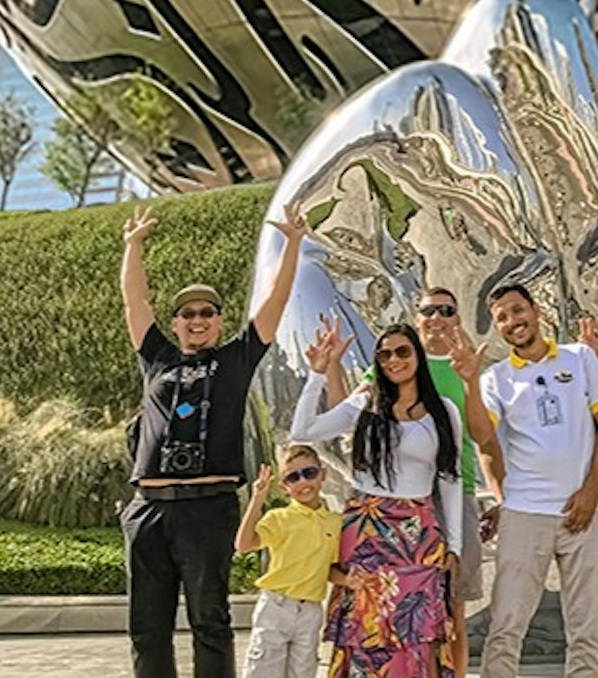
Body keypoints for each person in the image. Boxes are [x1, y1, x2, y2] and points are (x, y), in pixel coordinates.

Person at [119, 200, 306, 678]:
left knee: (210, 621)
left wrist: (293, 243)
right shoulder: (158, 358)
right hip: (149, 508)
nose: (197, 320)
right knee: (147, 625)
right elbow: (135, 303)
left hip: (208, 507)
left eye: (207, 312)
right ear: (175, 322)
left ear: (220, 320)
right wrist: (133, 246)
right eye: (187, 314)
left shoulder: (235, 360)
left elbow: (276, 302)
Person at [321, 288, 500, 678]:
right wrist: (331, 367)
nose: (436, 317)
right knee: (377, 606)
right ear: (416, 318)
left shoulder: (471, 366)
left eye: (446, 310)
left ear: (457, 317)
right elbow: (345, 416)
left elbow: (483, 436)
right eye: (428, 310)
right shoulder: (392, 363)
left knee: (449, 606)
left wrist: (471, 381)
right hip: (391, 502)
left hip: (452, 492)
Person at [292, 321, 463, 678]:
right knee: (365, 626)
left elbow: (450, 478)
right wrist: (317, 373)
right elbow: (303, 431)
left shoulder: (443, 411)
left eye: (402, 351)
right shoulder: (364, 405)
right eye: (384, 355)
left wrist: (454, 545)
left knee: (418, 628)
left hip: (419, 531)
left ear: (418, 355)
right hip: (367, 528)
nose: (393, 360)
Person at [478, 282, 598, 678]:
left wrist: (591, 488)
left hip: (586, 510)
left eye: (517, 310)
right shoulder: (495, 378)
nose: (512, 321)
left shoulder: (580, 357)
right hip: (525, 513)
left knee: (586, 629)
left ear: (536, 310)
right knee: (506, 625)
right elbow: (484, 441)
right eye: (502, 318)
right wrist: (504, 500)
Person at [234, 444, 342, 678]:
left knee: (304, 672)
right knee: (263, 671)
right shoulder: (279, 518)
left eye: (309, 473)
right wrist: (257, 499)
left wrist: (349, 580)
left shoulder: (335, 522)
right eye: (293, 477)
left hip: (311, 611)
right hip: (276, 606)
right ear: (284, 486)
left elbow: (328, 568)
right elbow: (243, 544)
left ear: (322, 474)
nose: (303, 482)